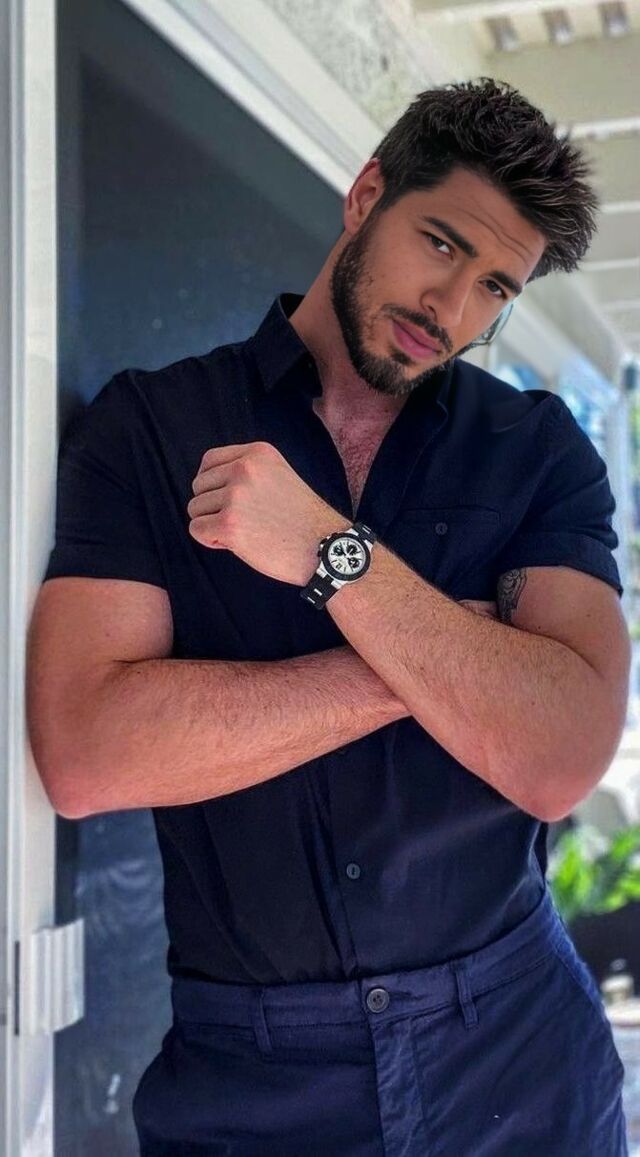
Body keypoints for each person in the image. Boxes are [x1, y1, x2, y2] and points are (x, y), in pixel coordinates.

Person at [27, 76, 631, 1155]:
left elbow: (559, 756)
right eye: (440, 242)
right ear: (365, 195)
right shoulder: (150, 429)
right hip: (249, 1078)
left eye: (495, 286)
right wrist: (440, 664)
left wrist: (327, 551)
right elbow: (87, 753)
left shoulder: (536, 453)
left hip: (515, 1053)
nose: (452, 308)